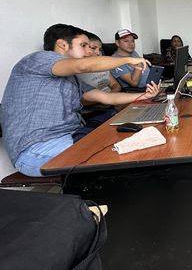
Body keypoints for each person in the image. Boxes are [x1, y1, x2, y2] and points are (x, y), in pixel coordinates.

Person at [0, 24, 159, 177]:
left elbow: (106, 97)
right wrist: (128, 60)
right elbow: (82, 66)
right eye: (83, 45)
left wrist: (144, 96)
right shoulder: (37, 59)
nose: (89, 51)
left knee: (131, 143)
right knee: (125, 155)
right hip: (34, 151)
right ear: (62, 45)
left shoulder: (73, 78)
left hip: (70, 138)